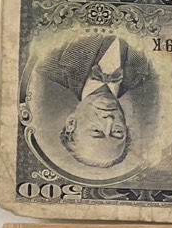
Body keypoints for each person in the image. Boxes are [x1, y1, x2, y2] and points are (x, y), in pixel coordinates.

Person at [33, 34, 151, 170]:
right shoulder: (149, 72)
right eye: (117, 132)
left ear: (71, 123)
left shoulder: (47, 61)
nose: (109, 120)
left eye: (96, 131)